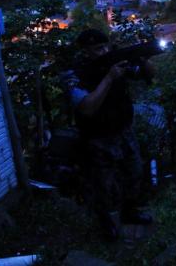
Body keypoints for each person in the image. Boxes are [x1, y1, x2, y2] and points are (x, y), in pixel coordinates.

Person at [62, 29, 153, 240]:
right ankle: (106, 224)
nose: (103, 52)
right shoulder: (74, 73)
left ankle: (129, 212)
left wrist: (142, 59)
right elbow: (87, 107)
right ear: (85, 52)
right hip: (96, 137)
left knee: (134, 173)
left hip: (123, 130)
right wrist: (109, 78)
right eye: (96, 49)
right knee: (102, 184)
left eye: (105, 47)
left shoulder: (114, 63)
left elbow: (149, 74)